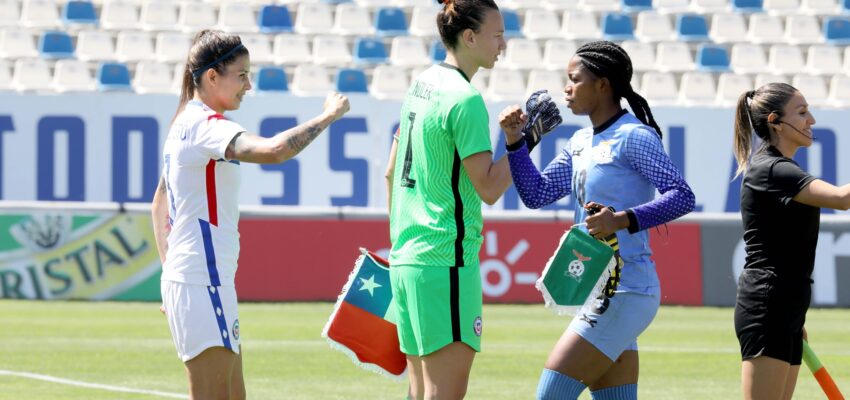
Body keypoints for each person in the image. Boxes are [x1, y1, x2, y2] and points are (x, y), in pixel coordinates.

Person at [150, 29, 349, 399]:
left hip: (197, 278)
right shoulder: (205, 126)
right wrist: (328, 116)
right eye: (241, 75)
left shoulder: (184, 122)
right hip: (201, 279)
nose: (248, 85)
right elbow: (273, 151)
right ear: (212, 76)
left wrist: (169, 272)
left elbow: (160, 200)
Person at [503, 41, 695, 399]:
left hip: (627, 289)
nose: (566, 88)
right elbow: (536, 193)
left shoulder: (635, 137)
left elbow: (682, 196)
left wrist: (620, 220)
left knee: (550, 395)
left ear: (603, 84)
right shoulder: (580, 141)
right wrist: (515, 142)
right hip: (601, 289)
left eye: (574, 79)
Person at [382, 0, 521, 398]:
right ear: (470, 36)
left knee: (418, 391)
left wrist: (400, 242)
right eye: (497, 35)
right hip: (445, 262)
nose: (503, 44)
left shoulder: (420, 85)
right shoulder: (465, 99)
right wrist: (524, 143)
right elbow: (490, 189)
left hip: (408, 259)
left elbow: (390, 172)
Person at [733, 83, 850, 400]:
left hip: (786, 306)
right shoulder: (772, 169)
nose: (811, 120)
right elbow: (843, 199)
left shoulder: (782, 169)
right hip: (767, 305)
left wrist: (793, 317)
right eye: (801, 112)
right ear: (775, 121)